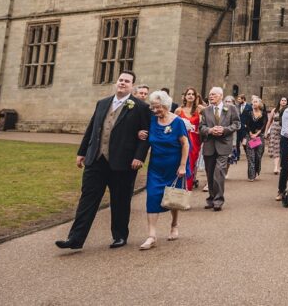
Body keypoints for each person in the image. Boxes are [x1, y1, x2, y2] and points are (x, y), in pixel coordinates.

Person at [55, 71, 150, 250]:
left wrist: (139, 157)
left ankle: (120, 236)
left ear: (132, 86)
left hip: (124, 162)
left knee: (120, 200)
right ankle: (75, 239)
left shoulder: (140, 107)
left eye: (127, 81)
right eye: (121, 80)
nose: (123, 83)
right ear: (117, 82)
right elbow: (91, 129)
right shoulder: (102, 103)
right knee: (87, 199)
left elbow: (145, 135)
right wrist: (82, 152)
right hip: (96, 159)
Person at [141, 90, 190, 250]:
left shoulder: (177, 122)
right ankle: (151, 236)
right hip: (156, 166)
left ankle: (174, 225)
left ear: (166, 106)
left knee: (172, 198)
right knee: (152, 197)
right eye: (153, 107)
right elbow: (146, 135)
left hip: (174, 166)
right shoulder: (152, 120)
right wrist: (140, 133)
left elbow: (185, 144)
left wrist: (183, 165)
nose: (155, 111)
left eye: (158, 108)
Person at [199, 86, 240, 211]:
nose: (211, 96)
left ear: (221, 96)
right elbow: (201, 127)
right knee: (210, 173)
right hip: (209, 145)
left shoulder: (231, 109)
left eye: (214, 94)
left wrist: (225, 130)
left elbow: (237, 124)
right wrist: (210, 130)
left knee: (219, 172)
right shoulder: (206, 111)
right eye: (210, 94)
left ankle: (218, 200)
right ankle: (211, 198)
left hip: (224, 145)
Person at [176, 87, 205, 190]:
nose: (191, 96)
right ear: (185, 96)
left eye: (193, 94)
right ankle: (178, 188)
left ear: (195, 96)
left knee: (191, 165)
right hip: (182, 139)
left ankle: (187, 190)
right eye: (189, 94)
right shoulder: (179, 110)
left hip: (194, 140)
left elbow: (208, 120)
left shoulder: (199, 109)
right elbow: (174, 125)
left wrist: (200, 129)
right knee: (179, 163)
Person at [242, 94, 268, 181]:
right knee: (251, 156)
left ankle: (257, 170)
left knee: (258, 156)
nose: (254, 103)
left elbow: (263, 126)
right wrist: (251, 134)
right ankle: (251, 176)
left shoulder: (263, 114)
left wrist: (257, 134)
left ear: (259, 103)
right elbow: (246, 124)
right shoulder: (248, 113)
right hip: (250, 136)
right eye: (253, 102)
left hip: (259, 137)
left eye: (256, 102)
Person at [265, 96, 288, 176]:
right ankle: (276, 167)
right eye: (282, 100)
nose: (283, 102)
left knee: (282, 149)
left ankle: (280, 166)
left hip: (284, 131)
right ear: (279, 101)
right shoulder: (274, 110)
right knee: (276, 149)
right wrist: (266, 131)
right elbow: (269, 121)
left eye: (285, 100)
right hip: (275, 131)